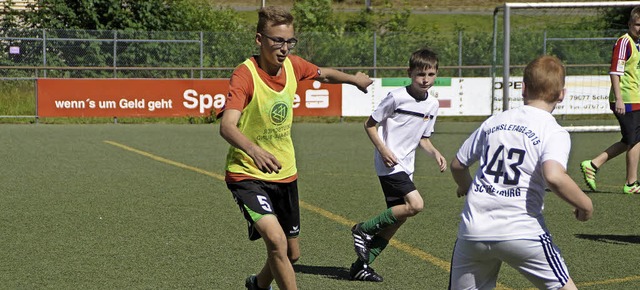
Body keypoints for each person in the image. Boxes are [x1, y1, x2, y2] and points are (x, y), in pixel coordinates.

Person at [218, 6, 372, 290]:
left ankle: (258, 285)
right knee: (275, 241)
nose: (284, 48)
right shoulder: (244, 75)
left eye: (289, 41)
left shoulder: (293, 65)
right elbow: (227, 126)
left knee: (291, 253)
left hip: (285, 172)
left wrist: (354, 80)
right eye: (277, 40)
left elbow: (322, 74)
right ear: (259, 39)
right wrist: (255, 151)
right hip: (247, 174)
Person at [449, 55, 594, 290]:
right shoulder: (553, 131)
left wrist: (466, 187)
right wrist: (585, 205)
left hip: (474, 230)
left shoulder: (494, 121)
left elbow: (458, 164)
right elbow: (554, 176)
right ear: (562, 95)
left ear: (523, 89)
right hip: (522, 231)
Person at [349, 48, 447, 282]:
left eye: (431, 74)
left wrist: (435, 153)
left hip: (406, 165)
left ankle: (360, 266)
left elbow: (423, 137)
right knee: (416, 204)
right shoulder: (396, 97)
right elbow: (370, 124)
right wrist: (383, 150)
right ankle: (363, 229)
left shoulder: (432, 105)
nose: (426, 79)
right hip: (390, 163)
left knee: (398, 219)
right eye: (420, 74)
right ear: (410, 72)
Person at [580, 7, 640, 195]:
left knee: (633, 139)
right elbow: (615, 72)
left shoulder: (638, 43)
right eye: (638, 24)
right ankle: (630, 183)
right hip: (626, 98)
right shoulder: (624, 42)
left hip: (636, 97)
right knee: (634, 139)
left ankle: (595, 165)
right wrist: (619, 99)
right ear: (630, 24)